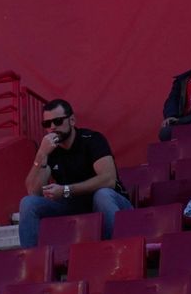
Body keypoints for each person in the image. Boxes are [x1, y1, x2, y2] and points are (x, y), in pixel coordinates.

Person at [19, 99, 133, 246]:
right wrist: (41, 154)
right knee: (28, 203)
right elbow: (33, 191)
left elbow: (108, 179)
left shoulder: (92, 140)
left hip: (111, 203)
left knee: (102, 195)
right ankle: (33, 264)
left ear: (72, 120)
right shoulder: (50, 150)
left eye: (58, 121)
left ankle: (117, 252)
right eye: (47, 124)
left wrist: (66, 190)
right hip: (74, 205)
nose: (52, 127)